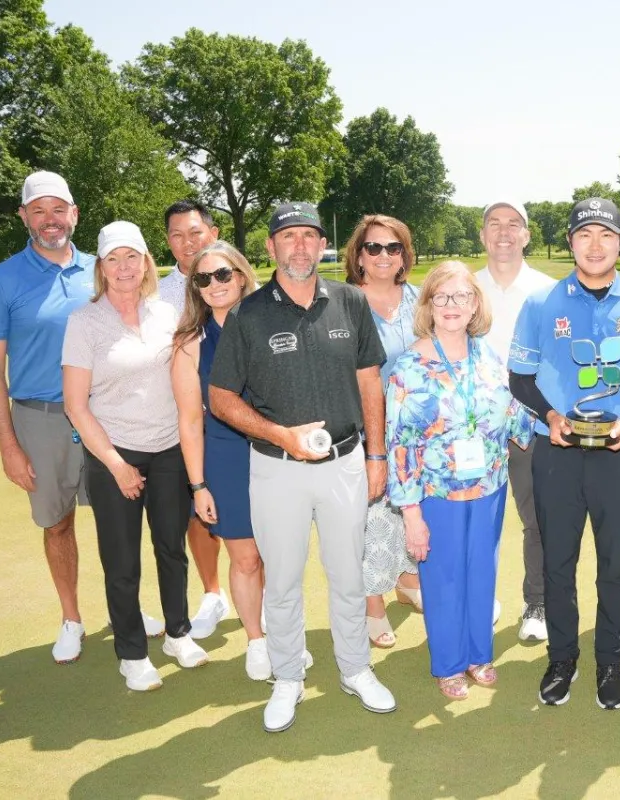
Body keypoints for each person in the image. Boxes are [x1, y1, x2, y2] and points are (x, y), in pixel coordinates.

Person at [208, 201, 395, 733]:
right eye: (288, 237)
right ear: (270, 248)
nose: (300, 247)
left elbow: (368, 382)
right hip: (276, 468)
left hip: (345, 462)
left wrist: (376, 454)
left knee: (347, 576)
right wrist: (278, 435)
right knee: (284, 581)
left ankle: (356, 669)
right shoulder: (248, 313)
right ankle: (288, 676)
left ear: (322, 244)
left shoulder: (350, 300)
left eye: (309, 236)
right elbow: (220, 397)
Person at [0, 171, 164, 664]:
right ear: (24, 217)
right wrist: (9, 445)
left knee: (120, 519)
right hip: (42, 418)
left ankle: (130, 608)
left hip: (108, 415)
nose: (50, 219)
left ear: (75, 214)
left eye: (59, 209)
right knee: (57, 524)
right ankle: (72, 618)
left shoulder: (102, 270)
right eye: (39, 210)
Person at [509, 198, 620, 710]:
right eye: (585, 235)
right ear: (570, 242)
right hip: (557, 451)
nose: (595, 244)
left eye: (606, 235)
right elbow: (519, 377)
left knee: (615, 565)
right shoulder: (542, 304)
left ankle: (610, 660)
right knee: (558, 563)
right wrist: (550, 415)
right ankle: (562, 658)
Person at [62, 221, 208, 691]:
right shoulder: (84, 322)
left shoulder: (166, 311)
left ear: (147, 262)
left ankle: (178, 633)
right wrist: (116, 464)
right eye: (113, 259)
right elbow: (75, 405)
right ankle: (131, 650)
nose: (124, 268)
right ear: (101, 268)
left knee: (172, 547)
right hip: (115, 455)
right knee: (122, 560)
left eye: (133, 257)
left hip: (169, 449)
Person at [386, 261, 534, 699]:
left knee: (481, 572)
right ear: (428, 305)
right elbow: (401, 446)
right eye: (442, 297)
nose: (453, 306)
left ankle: (477, 655)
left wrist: (547, 417)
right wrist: (412, 515)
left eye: (462, 297)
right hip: (437, 493)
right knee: (444, 577)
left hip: (488, 487)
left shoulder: (485, 352)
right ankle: (448, 662)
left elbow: (508, 410)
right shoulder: (409, 366)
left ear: (475, 305)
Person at [169, 241, 273, 680]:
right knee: (246, 558)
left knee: (279, 556)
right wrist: (198, 485)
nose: (214, 284)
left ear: (243, 275)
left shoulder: (273, 326)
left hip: (276, 455)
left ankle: (280, 630)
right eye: (203, 278)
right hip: (226, 459)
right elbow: (190, 421)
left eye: (223, 274)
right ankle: (256, 640)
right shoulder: (190, 344)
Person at [475, 199, 556, 641]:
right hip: (474, 430)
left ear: (526, 235)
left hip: (532, 426)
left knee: (536, 520)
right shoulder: (463, 287)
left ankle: (537, 605)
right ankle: (480, 600)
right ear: (482, 234)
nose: (503, 232)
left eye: (513, 224)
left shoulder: (549, 291)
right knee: (477, 518)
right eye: (494, 224)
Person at [344, 214, 424, 648]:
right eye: (373, 247)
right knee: (372, 519)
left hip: (418, 433)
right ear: (358, 255)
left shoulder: (420, 300)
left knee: (410, 511)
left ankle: (408, 581)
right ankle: (372, 605)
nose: (383, 256)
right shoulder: (342, 302)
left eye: (392, 248)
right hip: (363, 430)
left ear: (404, 255)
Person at [160, 199, 229, 639]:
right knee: (197, 513)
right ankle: (213, 593)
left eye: (195, 233)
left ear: (213, 232)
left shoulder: (235, 280)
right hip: (181, 421)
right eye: (177, 236)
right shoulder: (159, 292)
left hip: (235, 422)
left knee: (245, 515)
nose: (187, 243)